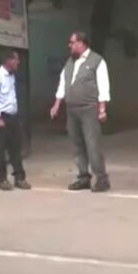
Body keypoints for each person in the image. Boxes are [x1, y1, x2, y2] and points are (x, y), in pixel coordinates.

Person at [50, 32, 111, 192]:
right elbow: (62, 84)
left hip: (89, 109)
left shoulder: (97, 61)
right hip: (72, 110)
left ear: (81, 43)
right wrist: (56, 104)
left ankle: (102, 179)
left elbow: (103, 86)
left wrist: (102, 109)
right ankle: (84, 177)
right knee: (77, 145)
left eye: (72, 42)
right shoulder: (70, 62)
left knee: (92, 145)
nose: (69, 45)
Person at [0, 50, 30, 191]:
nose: (18, 62)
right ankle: (1, 179)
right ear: (8, 60)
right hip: (1, 117)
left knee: (16, 149)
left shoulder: (12, 76)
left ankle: (19, 177)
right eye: (16, 59)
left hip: (13, 117)